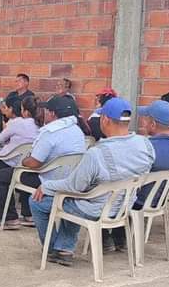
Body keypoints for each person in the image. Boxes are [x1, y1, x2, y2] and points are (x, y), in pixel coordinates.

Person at [30, 98, 154, 265]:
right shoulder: (145, 145)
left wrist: (46, 186)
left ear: (105, 119)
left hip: (95, 209)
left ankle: (53, 249)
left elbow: (73, 186)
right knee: (73, 197)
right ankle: (64, 248)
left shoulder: (97, 153)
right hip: (124, 205)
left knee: (38, 200)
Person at [0, 95, 86, 230]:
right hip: (69, 178)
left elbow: (34, 163)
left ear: (52, 113)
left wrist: (24, 161)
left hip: (48, 179)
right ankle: (28, 215)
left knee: (3, 175)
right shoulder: (77, 131)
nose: (43, 113)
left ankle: (9, 219)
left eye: (46, 110)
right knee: (25, 174)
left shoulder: (50, 132)